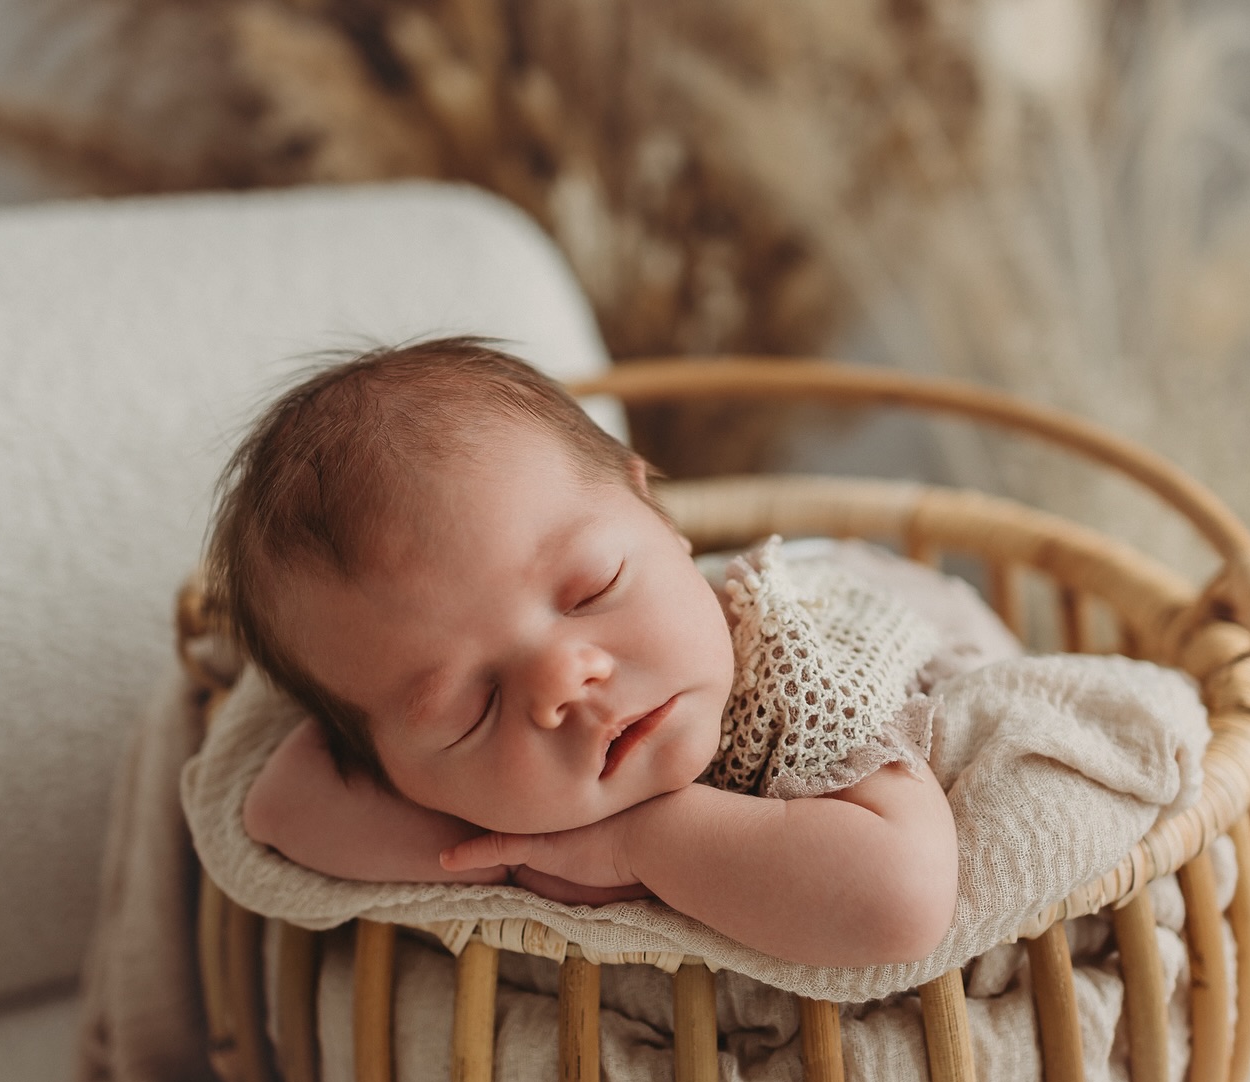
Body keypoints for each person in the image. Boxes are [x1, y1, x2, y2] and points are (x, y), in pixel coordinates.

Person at [208, 338, 958, 968]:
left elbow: (902, 899)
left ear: (659, 518)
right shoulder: (470, 793)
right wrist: (508, 850)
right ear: (398, 779)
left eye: (593, 590)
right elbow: (280, 806)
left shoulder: (800, 669)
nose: (565, 680)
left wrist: (638, 844)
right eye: (471, 710)